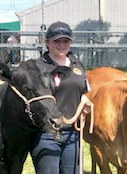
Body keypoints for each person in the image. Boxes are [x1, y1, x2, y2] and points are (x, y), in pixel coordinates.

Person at [30, 21, 90, 174]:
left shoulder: (77, 64)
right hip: (46, 134)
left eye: (66, 40)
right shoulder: (38, 67)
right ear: (47, 42)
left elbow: (84, 90)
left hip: (73, 134)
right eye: (57, 41)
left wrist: (86, 101)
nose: (62, 44)